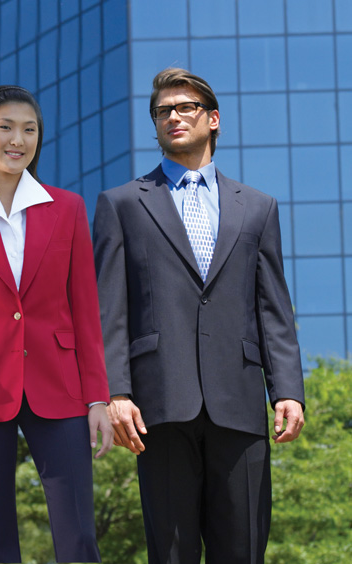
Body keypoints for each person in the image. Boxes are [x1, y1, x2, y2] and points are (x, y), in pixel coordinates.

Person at [93, 68, 305, 564]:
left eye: (185, 107)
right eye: (163, 111)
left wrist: (289, 389)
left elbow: (273, 306)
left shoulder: (257, 207)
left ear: (213, 120)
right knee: (171, 553)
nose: (173, 117)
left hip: (241, 398)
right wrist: (115, 393)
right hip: (159, 405)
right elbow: (110, 308)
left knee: (244, 549)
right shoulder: (121, 205)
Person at [0, 85, 113, 564]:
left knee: (78, 539)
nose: (18, 139)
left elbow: (86, 311)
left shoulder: (67, 207)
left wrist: (98, 398)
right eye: (5, 127)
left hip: (61, 385)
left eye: (29, 130)